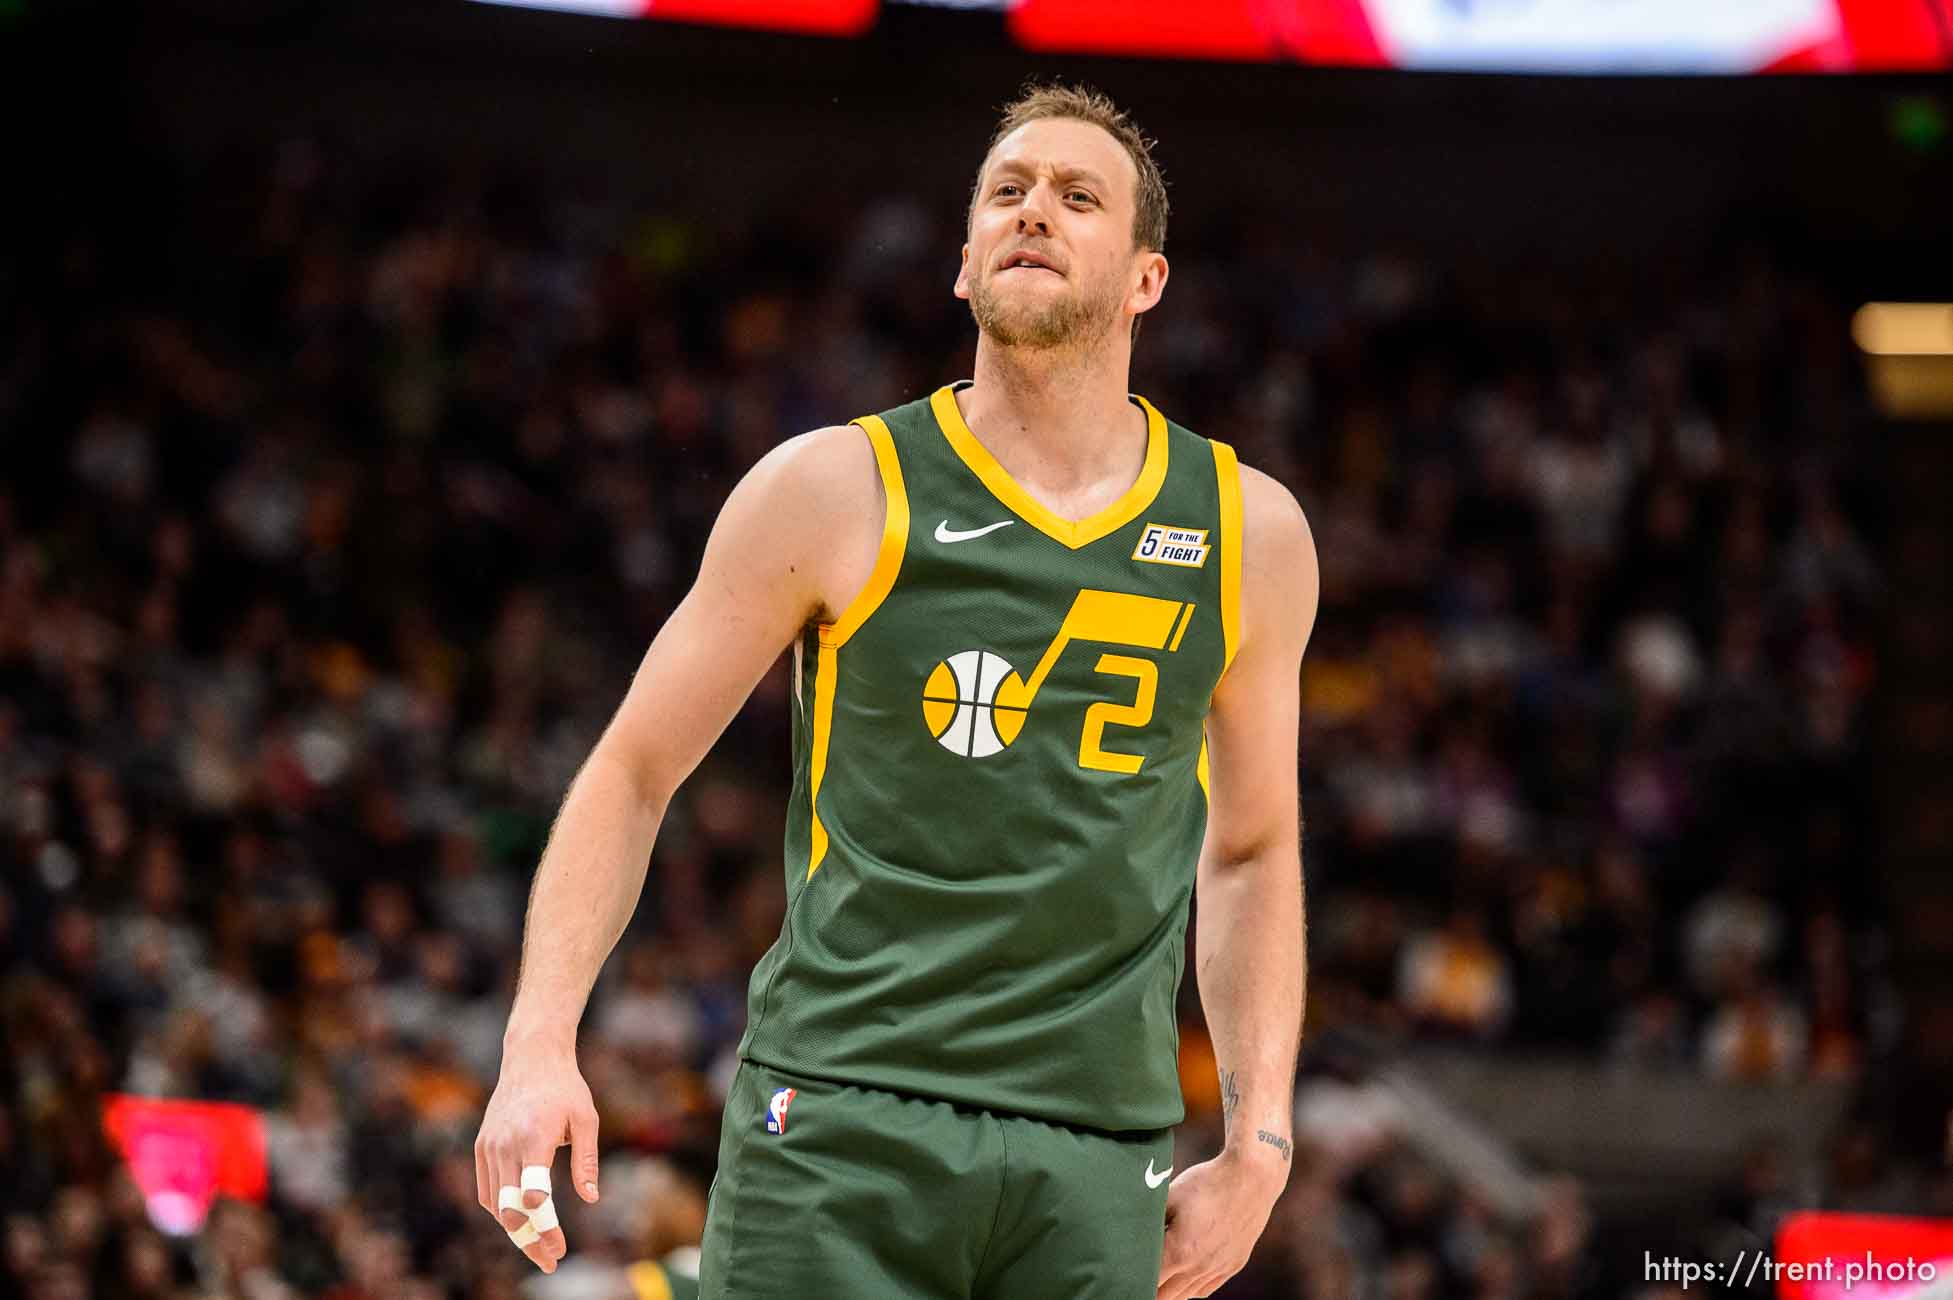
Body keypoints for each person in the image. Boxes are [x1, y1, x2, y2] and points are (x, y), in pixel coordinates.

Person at [473, 82, 1319, 1300]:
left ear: (1146, 279)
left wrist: (1260, 1142)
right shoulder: (833, 488)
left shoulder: (1250, 530)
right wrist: (538, 1040)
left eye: (1079, 196)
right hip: (837, 1120)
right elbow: (632, 768)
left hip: (1099, 1151)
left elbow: (1251, 849)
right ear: (964, 267)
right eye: (1006, 192)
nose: (1035, 210)